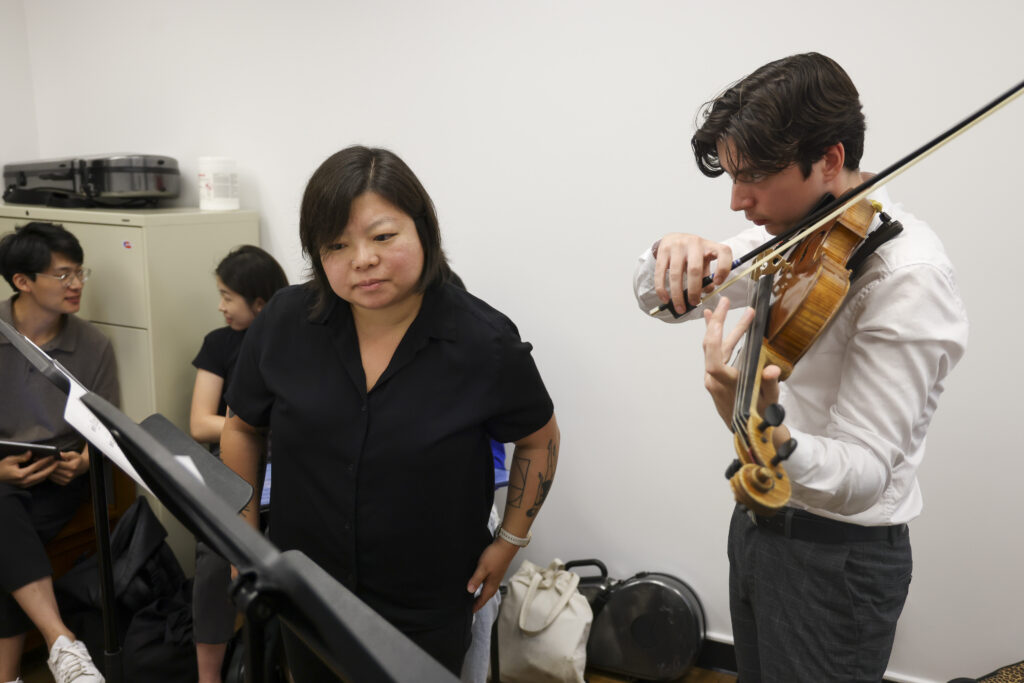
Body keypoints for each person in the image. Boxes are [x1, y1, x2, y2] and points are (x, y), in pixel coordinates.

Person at [632, 53, 968, 682]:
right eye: (731, 177)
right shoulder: (788, 231)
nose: (737, 201)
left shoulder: (908, 278)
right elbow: (656, 302)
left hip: (836, 562)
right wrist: (665, 255)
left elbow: (867, 473)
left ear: (830, 160)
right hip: (757, 520)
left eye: (754, 175)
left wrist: (771, 434)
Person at [220, 146, 559, 678]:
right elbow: (241, 428)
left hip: (426, 603)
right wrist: (240, 538)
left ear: (423, 230)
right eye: (337, 244)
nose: (362, 259)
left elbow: (539, 440)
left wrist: (509, 541)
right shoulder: (283, 322)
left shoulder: (482, 341)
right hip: (305, 588)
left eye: (382, 237)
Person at [0, 222, 120, 683]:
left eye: (79, 273)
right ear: (22, 281)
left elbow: (108, 428)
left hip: (61, 478)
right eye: (63, 275)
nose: (77, 285)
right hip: (3, 477)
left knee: (4, 537)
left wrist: (87, 460)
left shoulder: (92, 345)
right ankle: (61, 642)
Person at [188, 245, 288, 683]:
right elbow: (199, 422)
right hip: (231, 466)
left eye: (229, 296)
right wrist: (248, 428)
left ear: (261, 303)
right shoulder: (219, 344)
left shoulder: (295, 342)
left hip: (289, 470)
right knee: (215, 558)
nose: (221, 306)